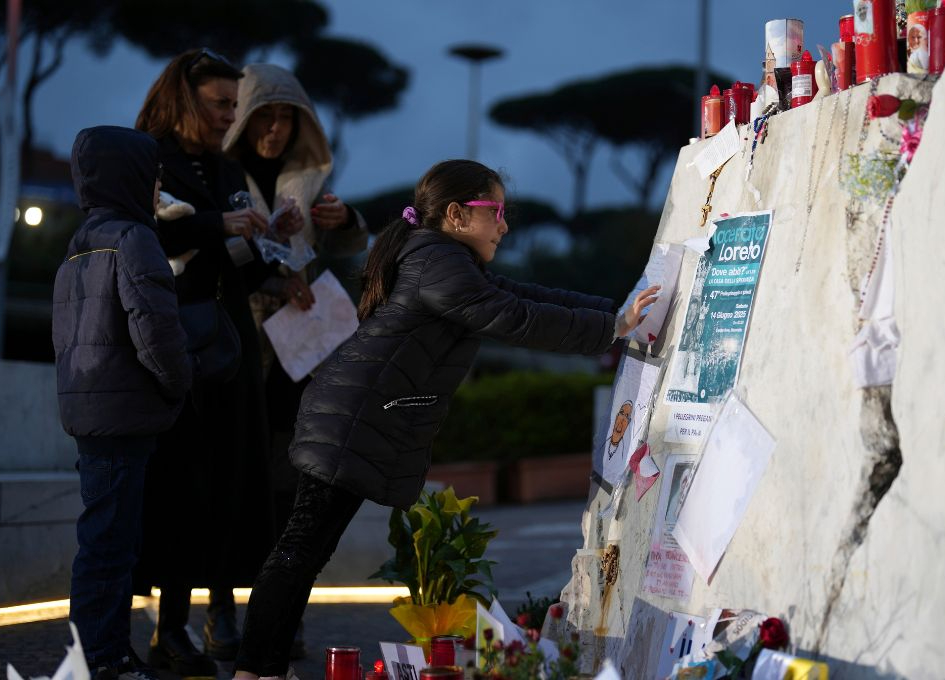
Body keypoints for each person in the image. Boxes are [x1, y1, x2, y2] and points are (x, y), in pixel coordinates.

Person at [231, 159, 659, 679]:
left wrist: (615, 312)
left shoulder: (446, 261)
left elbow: (525, 296)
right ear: (456, 215)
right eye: (495, 211)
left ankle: (262, 668)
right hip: (349, 420)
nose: (504, 224)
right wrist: (613, 326)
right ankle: (255, 669)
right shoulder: (439, 264)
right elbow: (514, 318)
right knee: (299, 551)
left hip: (351, 416)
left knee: (305, 551)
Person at [132, 48, 289, 676]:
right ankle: (170, 630)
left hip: (229, 344)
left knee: (233, 482)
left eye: (233, 103)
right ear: (184, 97)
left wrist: (270, 240)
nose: (231, 114)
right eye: (220, 103)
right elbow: (141, 233)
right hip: (175, 342)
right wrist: (221, 223)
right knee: (179, 486)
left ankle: (220, 616)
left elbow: (240, 262)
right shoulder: (147, 157)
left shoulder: (225, 167)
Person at [216, 62, 370, 660]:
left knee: (289, 488)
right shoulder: (220, 175)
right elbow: (208, 252)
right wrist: (271, 282)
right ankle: (223, 613)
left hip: (297, 354)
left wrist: (347, 219)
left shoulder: (304, 180)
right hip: (235, 345)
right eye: (265, 115)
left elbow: (353, 238)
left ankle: (278, 616)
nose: (276, 129)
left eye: (288, 117)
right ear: (244, 117)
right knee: (233, 486)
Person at [53, 125, 192, 680]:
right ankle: (100, 658)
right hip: (124, 412)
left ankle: (98, 653)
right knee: (110, 547)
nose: (158, 185)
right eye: (153, 174)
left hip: (89, 409)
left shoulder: (81, 239)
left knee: (102, 543)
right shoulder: (135, 238)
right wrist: (182, 379)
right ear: (130, 176)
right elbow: (156, 331)